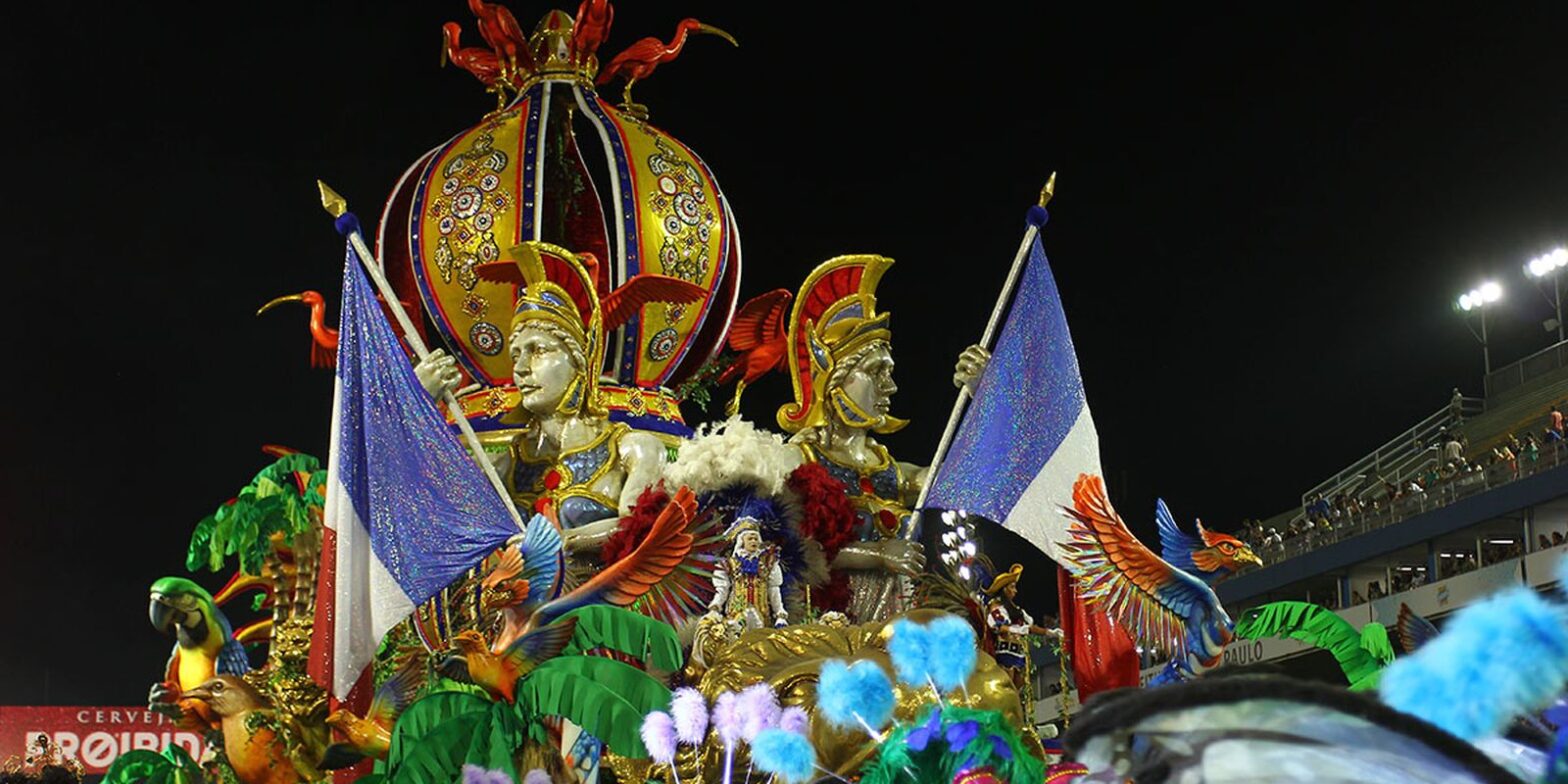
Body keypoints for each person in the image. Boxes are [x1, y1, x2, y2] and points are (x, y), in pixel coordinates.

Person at [415, 242, 673, 556]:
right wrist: (418, 403)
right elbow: (432, 507)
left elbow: (638, 527)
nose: (521, 369)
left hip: (601, 602)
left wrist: (560, 543)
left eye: (538, 350)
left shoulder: (632, 449)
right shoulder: (504, 464)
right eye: (516, 355)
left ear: (579, 359)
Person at [983, 564, 1058, 690]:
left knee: (1018, 691)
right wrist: (1015, 629)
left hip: (1018, 653)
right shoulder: (996, 606)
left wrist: (1050, 632)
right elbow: (997, 627)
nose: (1015, 591)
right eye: (1012, 587)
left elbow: (1031, 627)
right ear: (1004, 589)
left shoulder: (1017, 610)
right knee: (1007, 690)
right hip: (1005, 652)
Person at [706, 517, 788, 630]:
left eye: (755, 538)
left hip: (762, 615)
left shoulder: (768, 561)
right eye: (750, 538)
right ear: (742, 541)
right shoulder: (730, 563)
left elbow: (773, 589)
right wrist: (715, 606)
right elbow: (722, 588)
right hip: (736, 614)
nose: (753, 541)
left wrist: (780, 613)